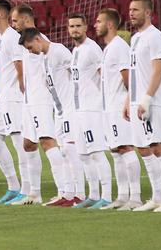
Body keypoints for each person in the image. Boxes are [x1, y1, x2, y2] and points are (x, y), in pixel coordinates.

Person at [11, 6, 72, 206]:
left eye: (15, 21)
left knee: (47, 142)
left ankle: (65, 192)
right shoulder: (24, 43)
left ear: (26, 20)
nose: (13, 24)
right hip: (29, 101)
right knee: (28, 144)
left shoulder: (41, 43)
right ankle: (34, 193)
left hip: (42, 101)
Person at [20, 28, 82, 207]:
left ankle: (79, 194)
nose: (30, 51)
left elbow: (76, 74)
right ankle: (68, 195)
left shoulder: (59, 51)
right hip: (60, 111)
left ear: (38, 39)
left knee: (72, 151)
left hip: (70, 108)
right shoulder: (45, 58)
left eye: (30, 47)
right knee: (65, 150)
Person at [125, 0, 161, 212]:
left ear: (148, 12)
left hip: (152, 102)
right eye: (130, 9)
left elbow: (158, 70)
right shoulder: (136, 38)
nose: (131, 13)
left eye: (136, 10)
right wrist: (129, 99)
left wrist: (146, 98)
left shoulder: (155, 37)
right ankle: (156, 197)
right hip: (137, 101)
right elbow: (135, 72)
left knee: (158, 146)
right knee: (143, 148)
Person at [95, 8, 142, 210]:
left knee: (126, 148)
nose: (95, 25)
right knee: (116, 151)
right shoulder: (108, 48)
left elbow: (128, 79)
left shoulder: (119, 47)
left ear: (110, 24)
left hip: (118, 107)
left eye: (98, 21)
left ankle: (136, 197)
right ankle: (123, 196)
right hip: (108, 109)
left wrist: (127, 102)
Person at [68, 13, 113, 209]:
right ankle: (93, 195)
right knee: (83, 154)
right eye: (71, 26)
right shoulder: (75, 50)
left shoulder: (92, 50)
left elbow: (104, 78)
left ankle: (107, 196)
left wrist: (105, 104)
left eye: (78, 25)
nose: (75, 29)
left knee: (96, 152)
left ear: (86, 27)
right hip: (78, 111)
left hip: (92, 109)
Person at [0, 0, 28, 204]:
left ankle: (27, 189)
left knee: (19, 143)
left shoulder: (13, 37)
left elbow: (20, 66)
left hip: (13, 98)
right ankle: (13, 186)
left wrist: (22, 93)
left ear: (3, 15)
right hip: (1, 99)